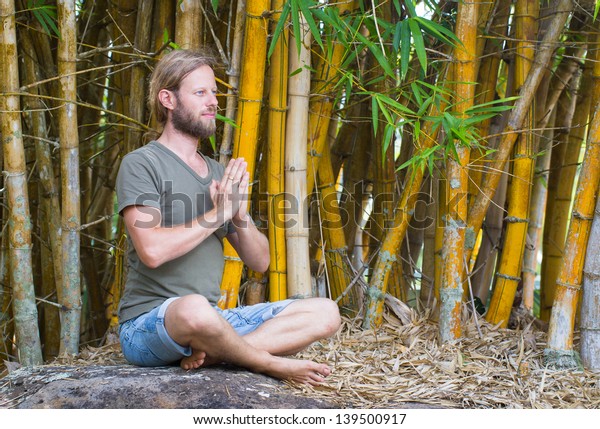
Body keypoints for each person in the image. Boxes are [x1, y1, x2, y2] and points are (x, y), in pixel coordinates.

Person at [116, 48, 341, 385]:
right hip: (150, 324)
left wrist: (237, 213)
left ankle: (219, 354)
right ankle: (267, 363)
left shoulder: (219, 172)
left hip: (213, 323)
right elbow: (152, 251)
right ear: (168, 99)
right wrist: (216, 212)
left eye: (215, 92)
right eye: (200, 92)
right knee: (194, 309)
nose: (213, 102)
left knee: (325, 312)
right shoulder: (141, 163)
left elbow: (260, 261)